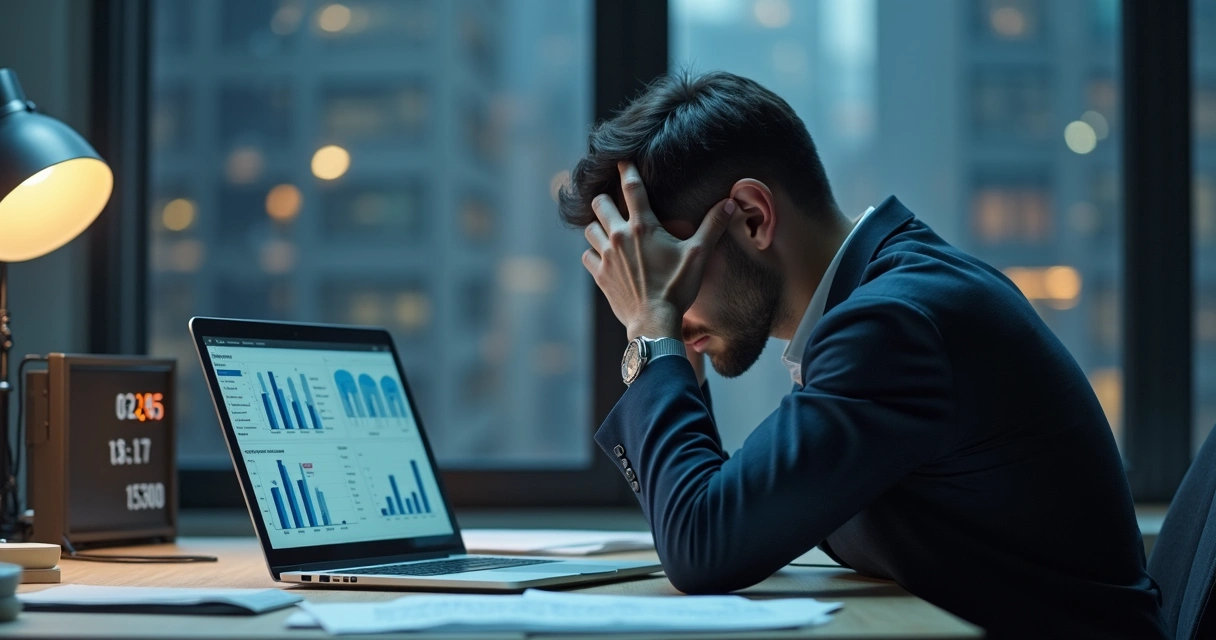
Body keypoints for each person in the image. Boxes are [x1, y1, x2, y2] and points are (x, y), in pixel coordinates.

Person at [557, 70, 1164, 638]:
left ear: (750, 216)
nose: (671, 305)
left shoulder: (894, 324)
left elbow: (702, 544)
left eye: (666, 277)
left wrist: (652, 334)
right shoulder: (884, 299)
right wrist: (667, 348)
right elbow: (736, 508)